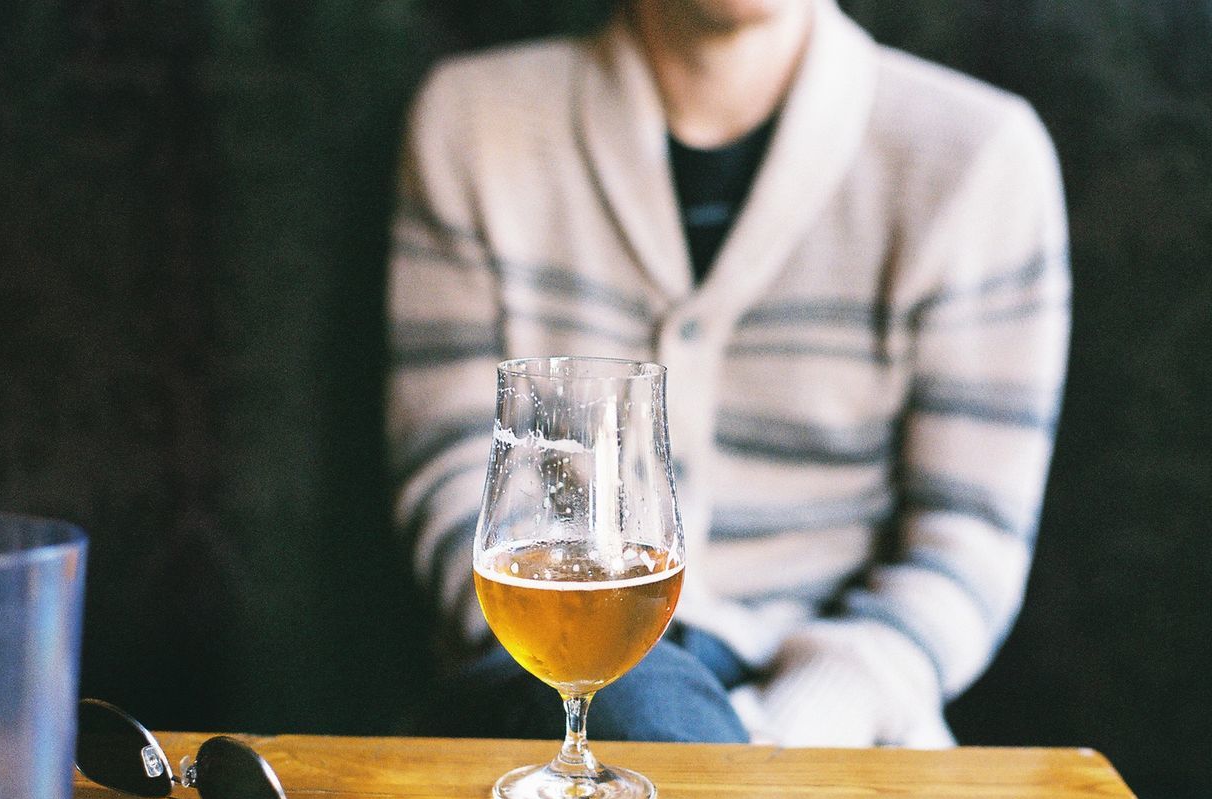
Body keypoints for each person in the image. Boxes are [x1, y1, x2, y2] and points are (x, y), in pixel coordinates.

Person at [386, 0, 1070, 747]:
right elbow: (452, 477)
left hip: (849, 728)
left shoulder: (980, 155)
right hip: (542, 694)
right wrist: (592, 670)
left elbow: (967, 540)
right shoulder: (471, 122)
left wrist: (790, 726)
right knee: (635, 708)